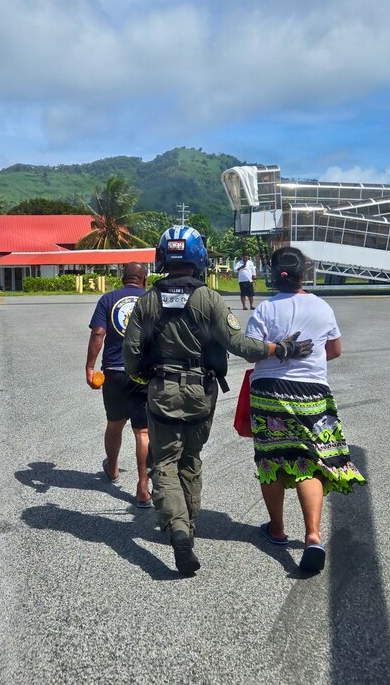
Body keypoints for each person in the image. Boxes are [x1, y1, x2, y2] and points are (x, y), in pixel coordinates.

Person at [122, 226, 313, 576]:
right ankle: (188, 526)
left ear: (163, 257)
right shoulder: (209, 298)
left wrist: (144, 378)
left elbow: (131, 354)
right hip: (200, 393)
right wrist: (281, 349)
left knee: (164, 463)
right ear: (198, 257)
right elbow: (239, 344)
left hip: (161, 391)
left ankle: (178, 529)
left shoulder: (147, 301)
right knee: (190, 458)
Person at [244, 246, 366, 573]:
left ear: (273, 274)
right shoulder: (322, 307)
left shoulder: (265, 310)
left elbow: (251, 353)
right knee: (308, 462)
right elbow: (335, 350)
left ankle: (277, 529)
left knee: (271, 460)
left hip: (269, 393)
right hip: (312, 394)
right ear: (304, 274)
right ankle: (313, 536)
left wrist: (278, 353)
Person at [86, 262, 151, 507]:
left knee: (115, 424)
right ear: (144, 279)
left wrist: (90, 367)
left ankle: (112, 468)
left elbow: (98, 333)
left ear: (123, 278)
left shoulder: (108, 299)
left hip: (114, 371)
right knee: (142, 432)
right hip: (144, 373)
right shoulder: (152, 299)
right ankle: (143, 488)